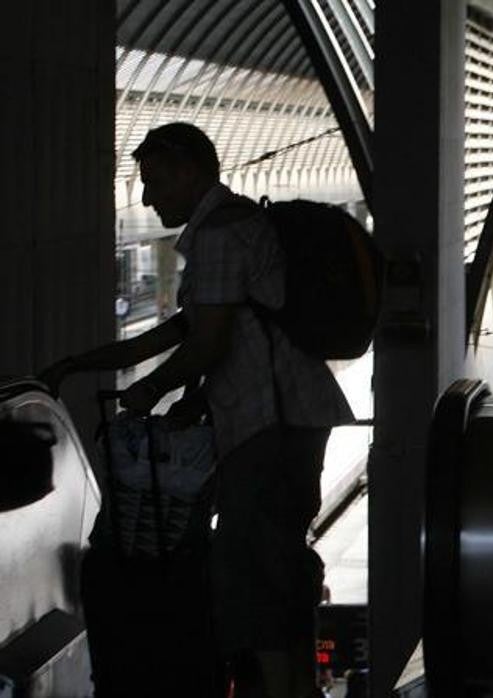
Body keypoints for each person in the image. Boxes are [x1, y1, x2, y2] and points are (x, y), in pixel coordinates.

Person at [40, 122, 354, 697]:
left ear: (189, 170)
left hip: (269, 423)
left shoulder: (219, 235)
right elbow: (189, 333)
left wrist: (148, 392)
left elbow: (207, 345)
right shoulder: (238, 225)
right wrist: (75, 366)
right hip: (286, 419)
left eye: (155, 181)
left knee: (250, 567)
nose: (147, 197)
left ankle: (284, 691)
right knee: (278, 561)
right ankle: (294, 685)